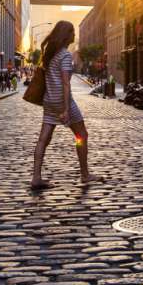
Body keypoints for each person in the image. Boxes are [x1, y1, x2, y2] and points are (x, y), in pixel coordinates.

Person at [31, 20, 101, 190]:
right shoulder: (64, 55)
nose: (74, 36)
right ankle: (85, 174)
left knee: (43, 140)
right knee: (81, 135)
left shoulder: (49, 54)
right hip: (62, 101)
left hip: (49, 101)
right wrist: (66, 109)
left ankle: (36, 177)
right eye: (72, 33)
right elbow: (65, 84)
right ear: (66, 35)